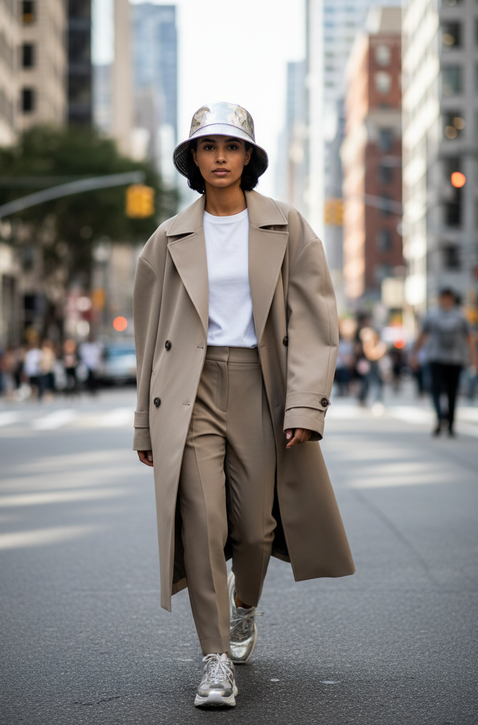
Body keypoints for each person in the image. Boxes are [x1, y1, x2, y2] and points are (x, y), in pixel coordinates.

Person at [133, 102, 355, 709]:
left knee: (256, 530)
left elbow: (315, 318)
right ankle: (212, 662)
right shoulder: (168, 238)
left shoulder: (289, 226)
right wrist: (144, 421)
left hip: (263, 383)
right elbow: (149, 335)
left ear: (250, 157)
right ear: (193, 160)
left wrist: (306, 405)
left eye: (232, 147)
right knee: (202, 523)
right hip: (191, 389)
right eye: (208, 148)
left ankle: (244, 609)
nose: (220, 158)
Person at [412, 289, 478, 436]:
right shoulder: (432, 315)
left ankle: (450, 424)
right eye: (444, 298)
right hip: (436, 358)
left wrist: (474, 358)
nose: (446, 301)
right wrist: (414, 355)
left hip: (455, 359)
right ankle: (439, 418)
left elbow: (470, 338)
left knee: (452, 392)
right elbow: (422, 336)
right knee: (435, 389)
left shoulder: (461, 316)